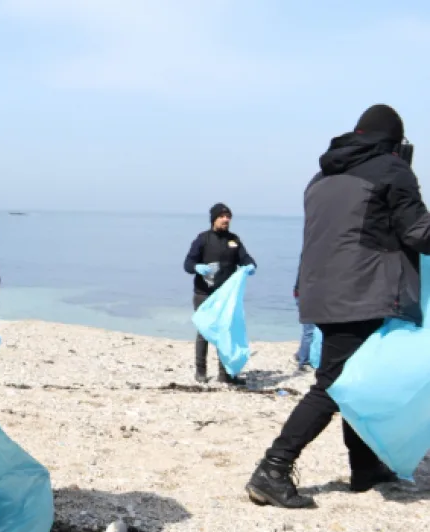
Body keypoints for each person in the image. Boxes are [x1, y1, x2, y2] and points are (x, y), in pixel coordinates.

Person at [246, 104, 430, 509]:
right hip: (363, 290)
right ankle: (273, 468)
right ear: (395, 140)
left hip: (322, 291)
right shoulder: (391, 169)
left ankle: (364, 468)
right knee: (334, 383)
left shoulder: (320, 176)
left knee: (354, 379)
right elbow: (418, 233)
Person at [183, 203, 257, 385]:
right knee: (204, 332)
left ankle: (225, 374)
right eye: (222, 216)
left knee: (226, 332)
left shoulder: (234, 240)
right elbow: (187, 264)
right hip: (204, 294)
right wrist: (196, 268)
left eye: (228, 216)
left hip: (225, 297)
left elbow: (245, 258)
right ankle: (200, 371)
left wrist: (251, 265)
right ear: (214, 219)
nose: (226, 219)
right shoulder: (202, 239)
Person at [293, 277, 317, 372]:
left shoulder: (307, 263)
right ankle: (303, 361)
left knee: (309, 330)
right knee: (310, 330)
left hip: (302, 293)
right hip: (307, 295)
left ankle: (301, 355)